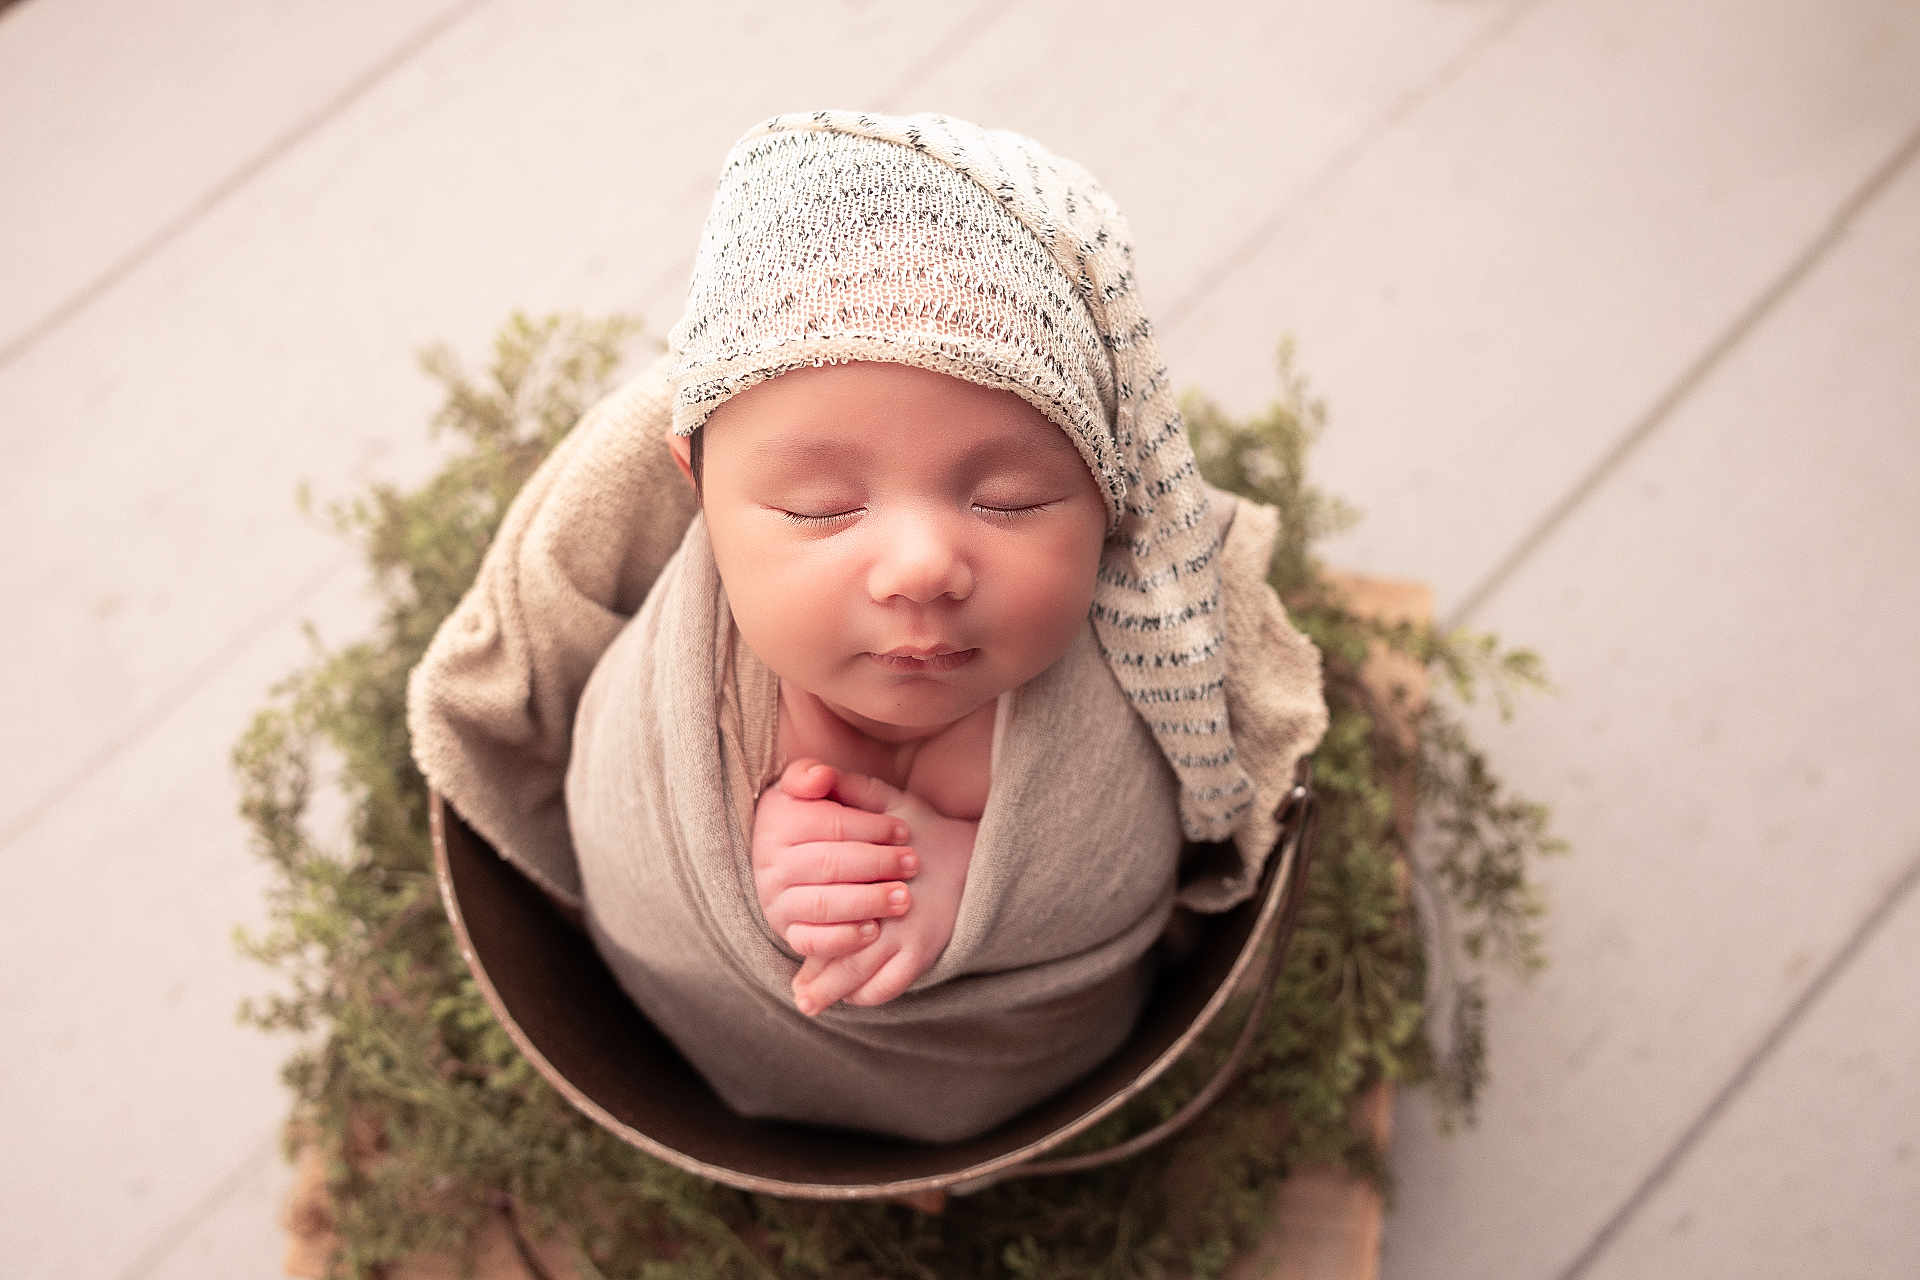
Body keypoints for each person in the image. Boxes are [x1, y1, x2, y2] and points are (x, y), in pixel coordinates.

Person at [408, 109, 1328, 1141]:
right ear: (697, 487)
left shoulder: (1137, 678)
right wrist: (764, 876)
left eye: (1014, 497)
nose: (923, 566)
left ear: (1109, 493)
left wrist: (978, 884)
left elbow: (1128, 865)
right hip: (731, 1055)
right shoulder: (681, 695)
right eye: (819, 508)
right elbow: (625, 845)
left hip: (1036, 1069)